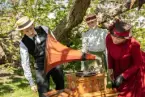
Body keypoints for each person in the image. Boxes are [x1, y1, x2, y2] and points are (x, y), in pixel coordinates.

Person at [15, 16, 64, 97]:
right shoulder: (23, 43)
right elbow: (25, 63)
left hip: (54, 63)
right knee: (43, 94)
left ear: (33, 24)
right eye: (26, 31)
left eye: (31, 28)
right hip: (41, 67)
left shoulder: (44, 29)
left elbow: (55, 44)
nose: (30, 32)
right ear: (22, 31)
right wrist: (31, 82)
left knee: (61, 89)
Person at [106, 19, 145, 97]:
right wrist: (110, 76)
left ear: (125, 38)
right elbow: (110, 57)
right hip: (118, 70)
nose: (115, 39)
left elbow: (138, 64)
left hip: (133, 73)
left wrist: (123, 76)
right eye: (113, 35)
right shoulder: (108, 38)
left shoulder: (134, 44)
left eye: (119, 38)